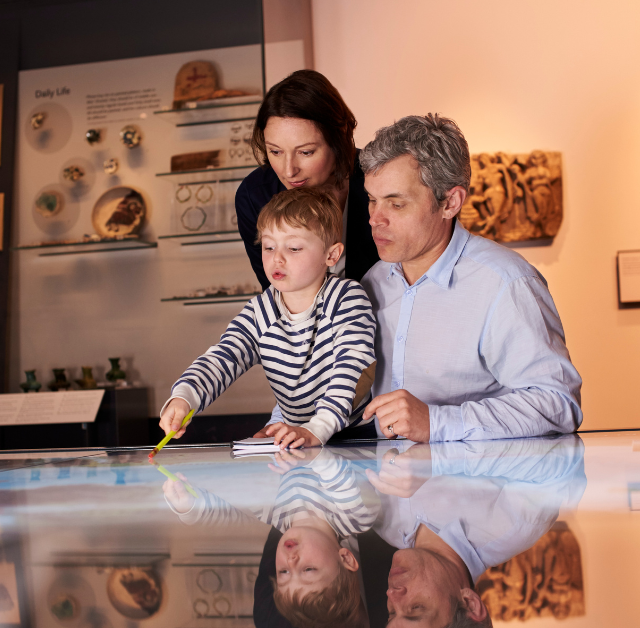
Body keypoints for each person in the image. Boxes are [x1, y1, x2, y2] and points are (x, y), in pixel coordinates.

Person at [358, 114, 583, 442]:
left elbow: (559, 403)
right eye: (372, 200)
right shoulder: (370, 285)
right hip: (386, 486)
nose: (375, 220)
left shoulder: (506, 283)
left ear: (450, 202)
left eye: (396, 203)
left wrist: (437, 422)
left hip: (482, 488)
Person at [160, 187, 376, 448]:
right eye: (269, 246)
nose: (277, 258)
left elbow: (353, 365)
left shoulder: (346, 298)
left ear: (331, 255)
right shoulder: (259, 311)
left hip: (355, 436)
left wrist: (318, 428)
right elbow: (224, 357)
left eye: (294, 248)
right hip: (296, 437)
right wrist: (184, 397)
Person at [370, 436, 586, 628]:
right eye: (415, 609)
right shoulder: (520, 521)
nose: (392, 593)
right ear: (469, 603)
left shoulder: (380, 522)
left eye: (391, 613)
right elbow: (556, 437)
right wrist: (436, 451)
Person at [162, 446, 375, 628]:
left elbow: (234, 509)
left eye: (283, 573)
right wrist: (312, 453)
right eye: (308, 570)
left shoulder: (279, 518)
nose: (290, 561)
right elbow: (343, 474)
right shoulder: (356, 518)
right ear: (346, 557)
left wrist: (189, 508)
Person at [236, 69, 379, 290]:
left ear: (339, 134)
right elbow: (276, 290)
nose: (288, 171)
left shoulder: (377, 178)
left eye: (306, 152)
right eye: (275, 152)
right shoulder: (254, 196)